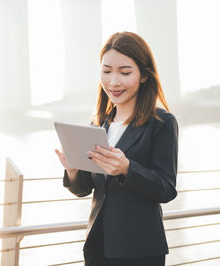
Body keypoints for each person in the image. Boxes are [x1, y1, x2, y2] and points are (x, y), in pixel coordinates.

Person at [55, 31, 178, 266]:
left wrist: (127, 169)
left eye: (125, 72)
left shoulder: (161, 122)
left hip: (140, 251)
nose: (113, 81)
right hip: (98, 248)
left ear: (144, 75)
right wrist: (73, 170)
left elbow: (166, 189)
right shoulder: (98, 124)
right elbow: (86, 189)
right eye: (106, 70)